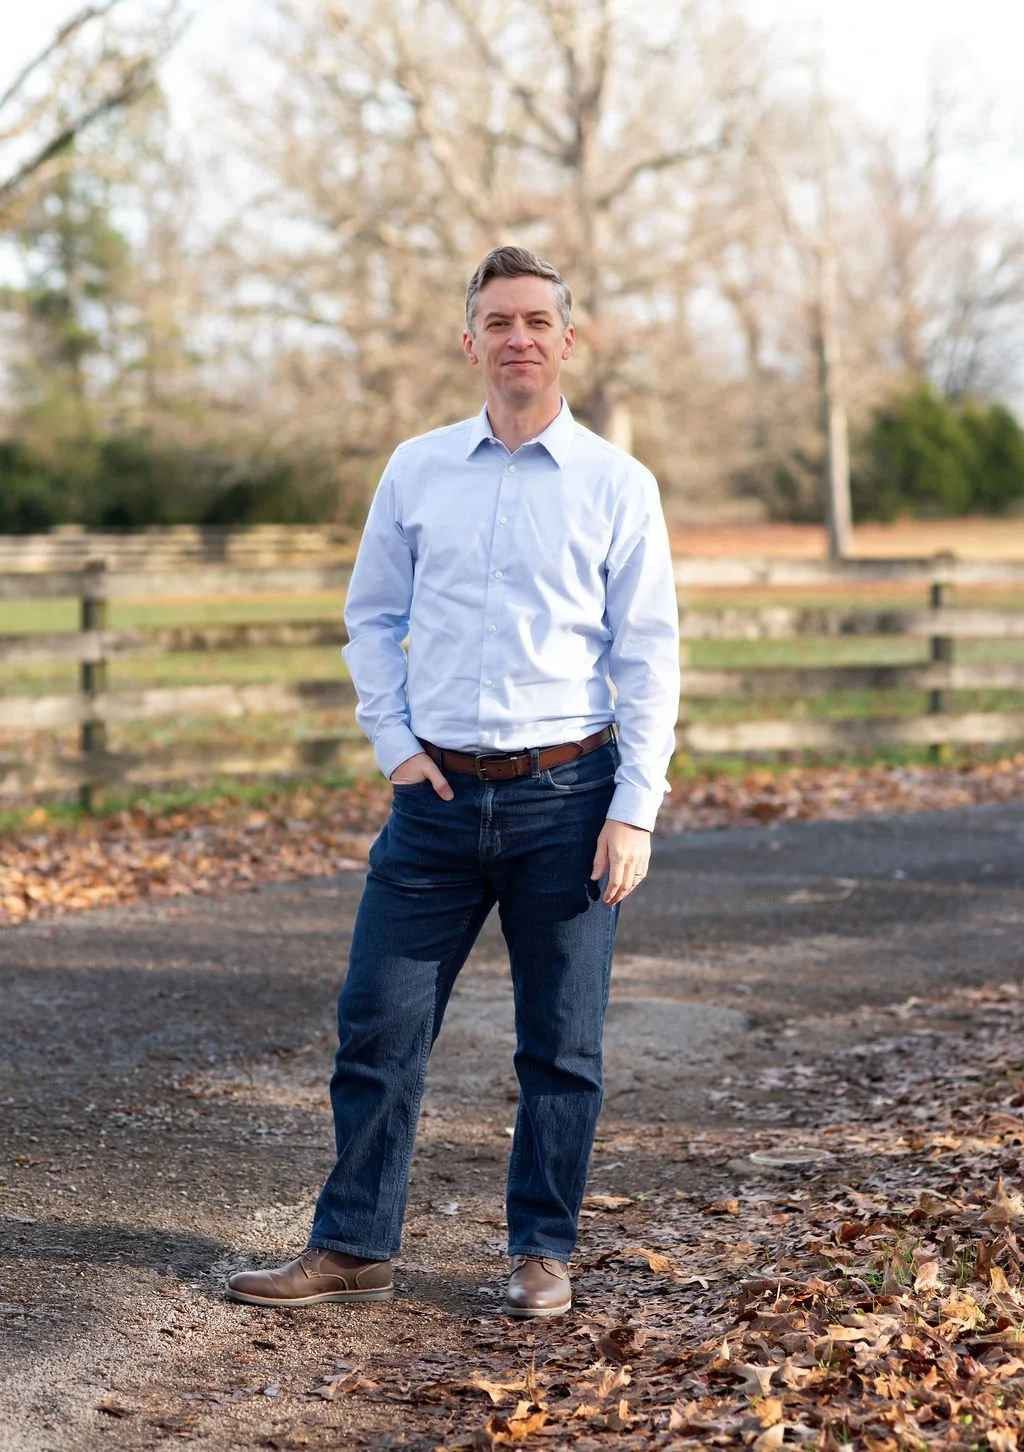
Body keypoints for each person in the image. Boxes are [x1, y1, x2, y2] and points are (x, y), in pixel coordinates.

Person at [226, 245, 680, 1319]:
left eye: (536, 319)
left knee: (560, 1049)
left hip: (569, 800)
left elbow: (648, 652)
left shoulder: (618, 484)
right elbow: (371, 617)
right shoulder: (416, 468)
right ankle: (352, 1247)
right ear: (467, 340)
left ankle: (540, 1252)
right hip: (430, 806)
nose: (517, 336)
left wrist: (634, 810)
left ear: (569, 340)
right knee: (377, 1027)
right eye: (497, 320)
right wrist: (393, 741)